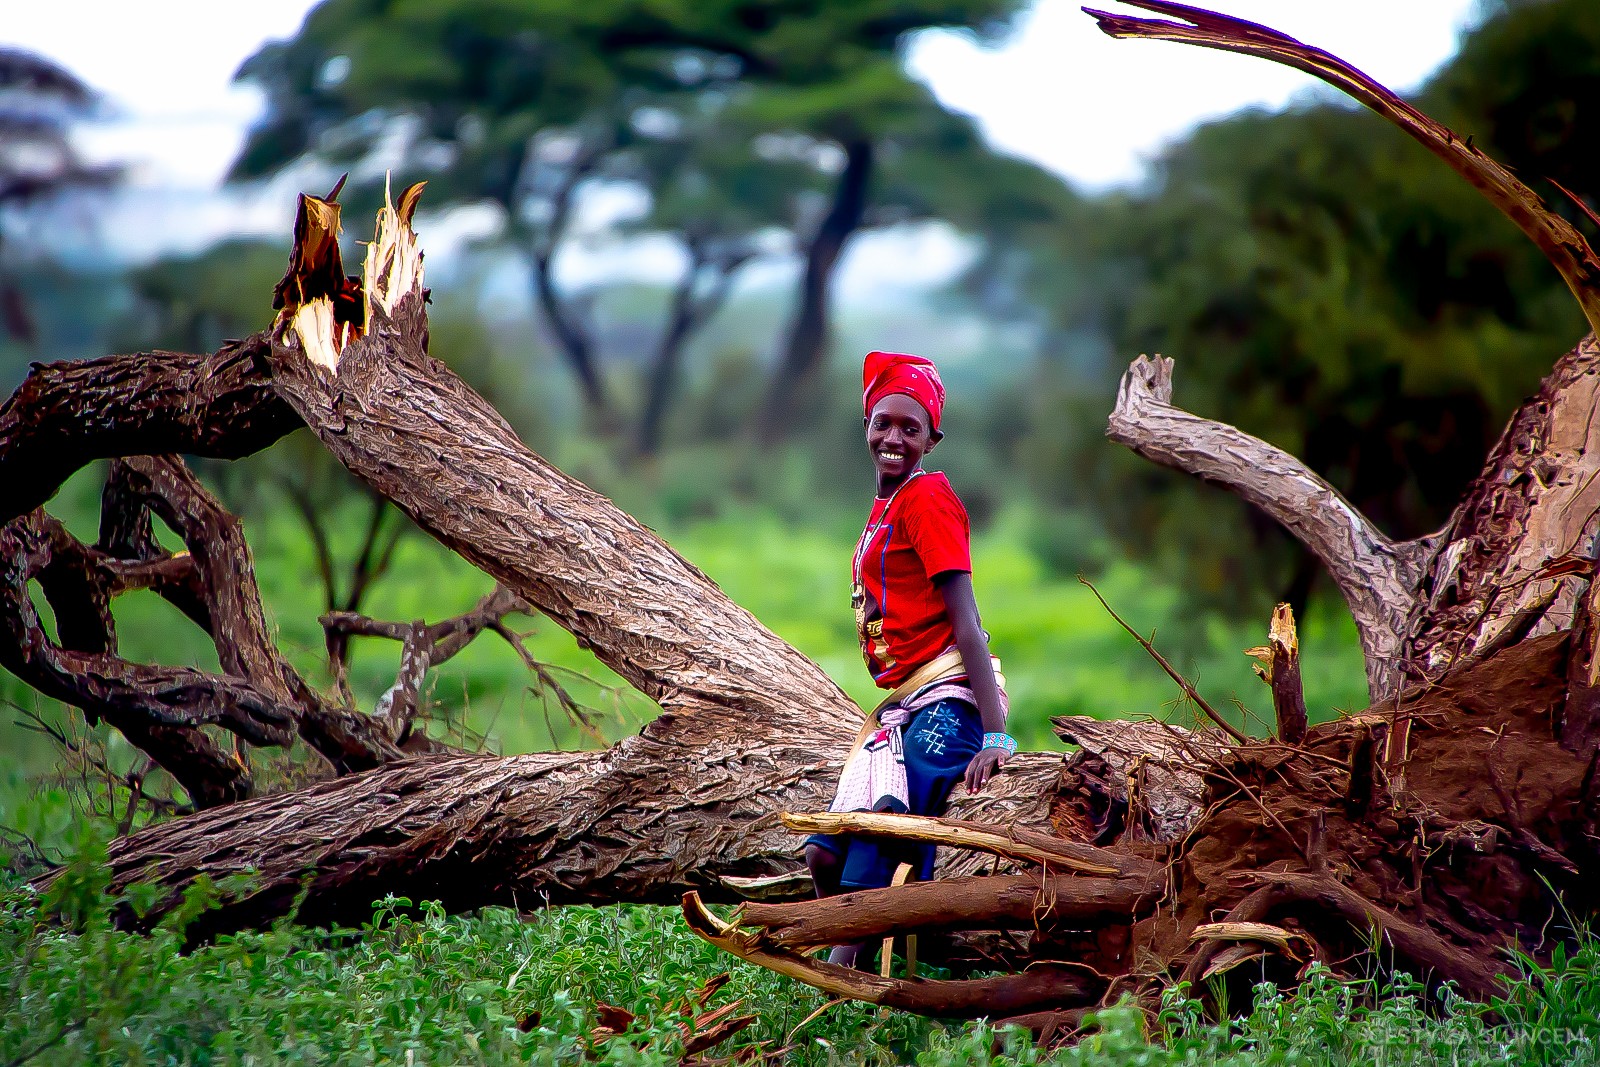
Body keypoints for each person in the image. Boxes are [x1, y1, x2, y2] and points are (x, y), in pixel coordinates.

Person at [803, 349, 1015, 969]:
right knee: (822, 852)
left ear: (931, 440)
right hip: (906, 703)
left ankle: (840, 980)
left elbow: (967, 625)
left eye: (910, 428)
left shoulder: (927, 500)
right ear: (867, 427)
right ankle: (852, 963)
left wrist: (996, 734)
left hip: (949, 700)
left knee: (883, 835)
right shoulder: (888, 505)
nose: (893, 438)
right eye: (883, 423)